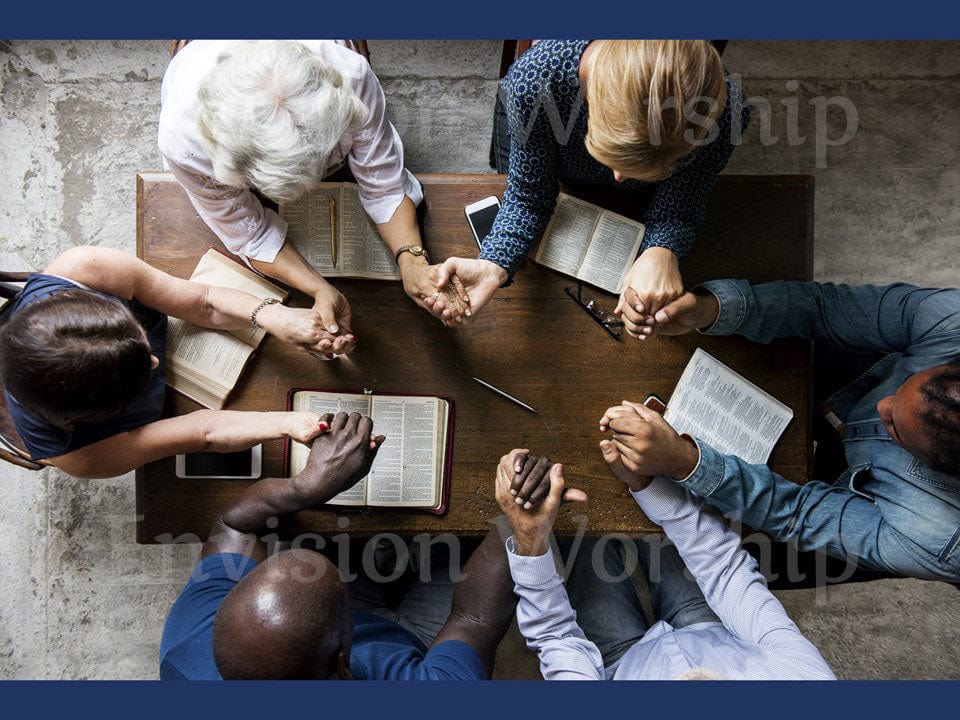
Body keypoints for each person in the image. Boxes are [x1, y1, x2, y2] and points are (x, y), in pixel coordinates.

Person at [600, 279, 960, 583]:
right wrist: (710, 308)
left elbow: (798, 514)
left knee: (739, 563)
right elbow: (823, 307)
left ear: (934, 465)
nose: (882, 406)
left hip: (873, 509)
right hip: (857, 375)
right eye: (903, 386)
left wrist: (684, 461)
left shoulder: (938, 539)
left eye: (895, 426)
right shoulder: (952, 323)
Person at [160, 411, 516, 680]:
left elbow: (233, 524)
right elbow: (473, 619)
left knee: (354, 536)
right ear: (344, 663)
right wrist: (519, 518)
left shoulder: (190, 650)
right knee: (480, 545)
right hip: (423, 641)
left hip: (328, 641)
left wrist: (307, 487)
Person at [427, 40, 749, 330]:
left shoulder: (727, 112)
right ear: (592, 100)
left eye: (655, 166)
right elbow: (528, 195)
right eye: (614, 156)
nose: (620, 179)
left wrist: (662, 250)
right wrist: (494, 263)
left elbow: (685, 195)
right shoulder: (535, 80)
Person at [159, 40, 456, 334]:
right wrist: (318, 288)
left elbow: (385, 185)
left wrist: (412, 261)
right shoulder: (184, 145)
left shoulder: (349, 73)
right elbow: (252, 234)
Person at [0, 246, 346, 478]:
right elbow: (203, 432)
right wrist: (289, 423)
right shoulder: (82, 456)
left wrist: (274, 317)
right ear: (87, 417)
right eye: (140, 372)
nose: (153, 360)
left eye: (136, 333)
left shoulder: (82, 269)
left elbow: (204, 301)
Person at [495, 448, 835, 679]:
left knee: (578, 514)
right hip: (713, 630)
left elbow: (556, 636)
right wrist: (645, 483)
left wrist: (531, 536)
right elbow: (726, 570)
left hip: (619, 664)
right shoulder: (806, 680)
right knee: (659, 497)